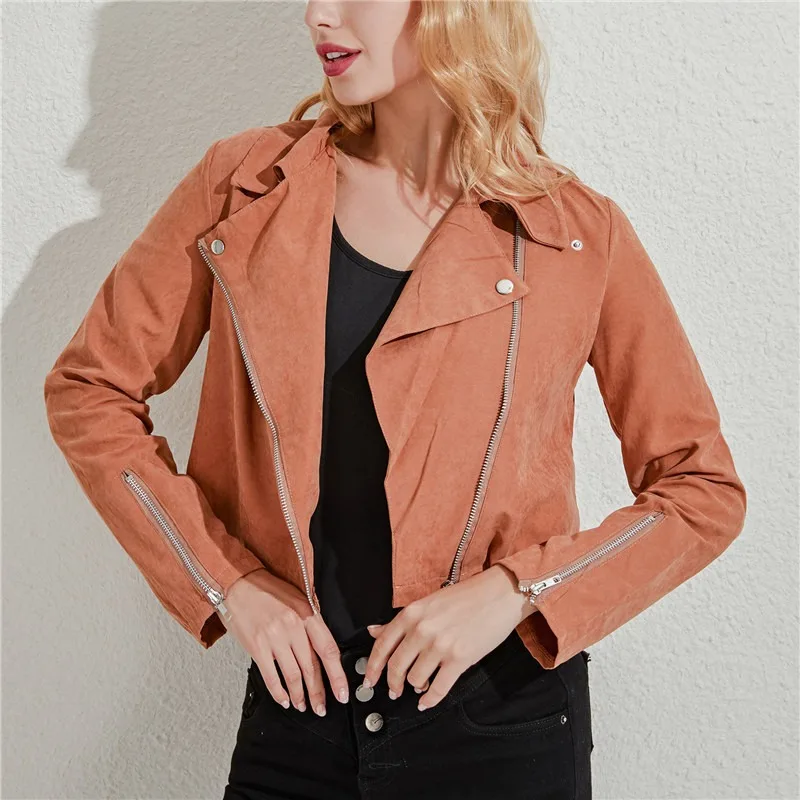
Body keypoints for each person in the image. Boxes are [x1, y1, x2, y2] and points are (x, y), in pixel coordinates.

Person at [43, 1, 747, 798]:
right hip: (298, 715)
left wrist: (518, 592)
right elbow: (90, 389)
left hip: (501, 721)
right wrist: (227, 584)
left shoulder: (574, 235)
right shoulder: (246, 188)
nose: (319, 15)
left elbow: (701, 492)